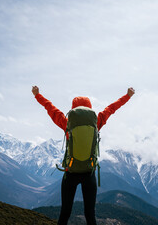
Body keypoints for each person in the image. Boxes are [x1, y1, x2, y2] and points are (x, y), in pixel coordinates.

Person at [32, 85, 135, 225]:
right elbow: (111, 109)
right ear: (89, 109)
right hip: (89, 172)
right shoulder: (96, 122)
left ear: (73, 110)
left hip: (70, 172)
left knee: (65, 212)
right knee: (90, 214)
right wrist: (127, 96)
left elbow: (50, 108)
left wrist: (37, 95)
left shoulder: (67, 123)